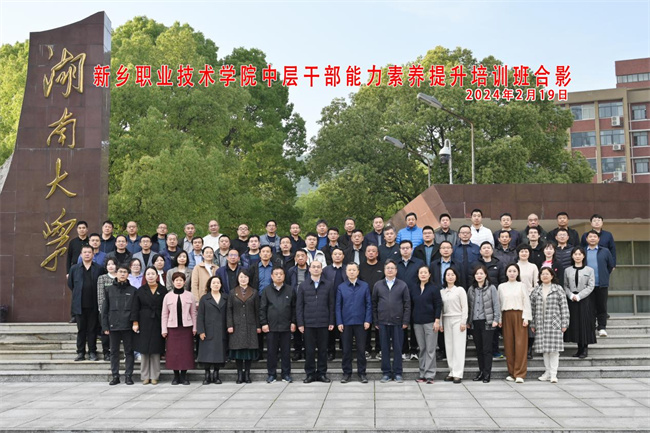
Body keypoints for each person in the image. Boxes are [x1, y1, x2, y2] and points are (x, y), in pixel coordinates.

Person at [373, 259, 411, 383]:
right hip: (383, 322)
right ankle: (386, 373)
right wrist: (376, 321)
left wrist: (405, 321)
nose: (390, 270)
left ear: (396, 270)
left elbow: (407, 304)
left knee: (398, 349)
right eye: (387, 268)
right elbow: (374, 304)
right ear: (384, 270)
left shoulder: (402, 285)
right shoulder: (378, 285)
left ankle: (398, 372)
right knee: (384, 349)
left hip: (398, 322)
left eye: (392, 268)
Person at [297, 260, 335, 383]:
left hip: (324, 322)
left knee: (323, 350)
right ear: (309, 269)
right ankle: (310, 374)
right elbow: (299, 306)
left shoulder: (328, 285)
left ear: (321, 269)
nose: (316, 269)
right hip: (308, 323)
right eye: (314, 267)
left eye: (318, 267)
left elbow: (331, 305)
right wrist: (300, 323)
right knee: (309, 350)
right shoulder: (303, 285)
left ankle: (322, 373)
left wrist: (331, 321)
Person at [530, 267, 570, 383]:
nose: (545, 276)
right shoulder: (536, 290)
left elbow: (564, 307)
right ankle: (547, 372)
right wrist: (533, 323)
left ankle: (553, 374)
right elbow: (532, 308)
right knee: (545, 350)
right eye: (542, 274)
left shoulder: (558, 289)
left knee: (554, 351)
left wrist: (565, 323)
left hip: (554, 324)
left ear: (552, 276)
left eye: (547, 274)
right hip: (540, 324)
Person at [336, 263, 372, 383]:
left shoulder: (364, 286)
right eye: (349, 270)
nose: (351, 272)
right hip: (346, 322)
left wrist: (367, 320)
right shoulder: (341, 287)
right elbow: (338, 306)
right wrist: (339, 322)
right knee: (346, 350)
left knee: (361, 350)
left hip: (361, 322)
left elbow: (368, 304)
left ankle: (362, 373)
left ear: (358, 272)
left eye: (354, 270)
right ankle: (347, 373)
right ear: (346, 272)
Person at [102, 266, 137, 385]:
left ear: (128, 274)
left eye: (125, 272)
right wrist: (105, 326)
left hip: (128, 325)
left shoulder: (133, 290)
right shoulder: (109, 290)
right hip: (113, 325)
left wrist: (135, 322)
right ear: (116, 273)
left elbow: (135, 309)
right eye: (120, 272)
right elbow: (105, 309)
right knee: (114, 352)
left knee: (129, 351)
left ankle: (128, 376)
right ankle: (115, 376)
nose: (122, 274)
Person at [260, 267, 296, 383]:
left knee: (286, 352)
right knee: (271, 352)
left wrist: (293, 322)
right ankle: (272, 374)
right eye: (276, 274)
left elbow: (294, 308)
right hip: (271, 326)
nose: (279, 276)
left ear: (284, 276)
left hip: (286, 326)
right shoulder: (266, 290)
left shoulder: (290, 290)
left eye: (281, 274)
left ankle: (286, 374)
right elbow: (262, 308)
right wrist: (264, 323)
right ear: (272, 276)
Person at [161, 273, 197, 385]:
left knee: (186, 352)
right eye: (176, 280)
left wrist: (195, 327)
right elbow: (164, 314)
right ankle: (176, 376)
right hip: (172, 328)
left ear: (184, 282)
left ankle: (184, 376)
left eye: (181, 280)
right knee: (174, 353)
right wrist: (164, 329)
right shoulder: (168, 296)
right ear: (173, 282)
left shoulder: (190, 295)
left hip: (186, 328)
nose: (178, 282)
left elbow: (193, 312)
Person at [68, 246, 103, 361]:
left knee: (92, 330)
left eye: (89, 252)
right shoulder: (74, 269)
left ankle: (92, 351)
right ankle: (80, 352)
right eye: (85, 252)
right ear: (81, 254)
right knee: (81, 330)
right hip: (79, 305)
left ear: (93, 254)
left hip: (94, 304)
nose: (87, 254)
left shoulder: (99, 268)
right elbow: (71, 284)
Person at [499, 263, 532, 383]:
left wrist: (526, 318)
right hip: (506, 315)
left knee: (520, 344)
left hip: (519, 315)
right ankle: (512, 372)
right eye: (510, 271)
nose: (512, 273)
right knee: (509, 344)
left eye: (514, 271)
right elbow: (499, 303)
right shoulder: (501, 287)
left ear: (518, 273)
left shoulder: (522, 286)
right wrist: (499, 319)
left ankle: (520, 373)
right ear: (506, 273)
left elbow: (526, 302)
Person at [132, 266, 166, 385]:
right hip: (144, 321)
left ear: (157, 276)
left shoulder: (163, 290)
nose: (150, 276)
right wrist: (135, 322)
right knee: (144, 349)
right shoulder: (140, 290)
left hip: (158, 321)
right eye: (148, 274)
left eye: (153, 274)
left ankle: (155, 376)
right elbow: (135, 307)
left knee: (156, 350)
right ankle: (145, 376)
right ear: (145, 276)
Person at [467, 266, 500, 383]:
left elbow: (496, 304)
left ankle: (487, 373)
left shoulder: (491, 288)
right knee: (479, 349)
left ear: (486, 275)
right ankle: (481, 372)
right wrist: (468, 321)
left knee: (487, 349)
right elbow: (469, 306)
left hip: (487, 322)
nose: (479, 276)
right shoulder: (471, 289)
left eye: (481, 273)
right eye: (477, 274)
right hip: (475, 322)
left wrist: (496, 319)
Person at [227, 269, 261, 384]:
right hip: (236, 325)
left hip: (250, 325)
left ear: (249, 278)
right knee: (238, 351)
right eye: (241, 277)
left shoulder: (254, 292)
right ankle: (239, 374)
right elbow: (229, 310)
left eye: (245, 277)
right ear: (238, 278)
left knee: (248, 351)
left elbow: (257, 310)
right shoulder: (232, 292)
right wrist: (230, 325)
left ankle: (247, 374)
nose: (243, 279)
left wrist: (258, 326)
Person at [411, 266, 442, 384]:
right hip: (417, 322)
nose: (423, 274)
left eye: (425, 272)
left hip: (430, 322)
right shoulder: (414, 288)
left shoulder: (434, 288)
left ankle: (430, 374)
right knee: (422, 348)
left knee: (430, 349)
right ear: (418, 274)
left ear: (429, 274)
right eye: (421, 272)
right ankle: (422, 374)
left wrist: (437, 320)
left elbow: (438, 305)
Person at [563, 246, 596, 358]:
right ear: (572, 256)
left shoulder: (589, 270)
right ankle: (579, 349)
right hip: (571, 300)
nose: (577, 256)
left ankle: (584, 349)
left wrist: (579, 296)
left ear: (583, 256)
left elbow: (591, 286)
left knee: (584, 323)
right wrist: (571, 295)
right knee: (575, 323)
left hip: (585, 300)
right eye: (575, 254)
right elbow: (565, 285)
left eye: (580, 254)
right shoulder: (567, 270)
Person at [197, 276, 228, 385]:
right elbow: (200, 316)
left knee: (219, 353)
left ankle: (216, 373)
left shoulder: (225, 298)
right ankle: (207, 374)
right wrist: (201, 331)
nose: (216, 285)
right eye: (213, 283)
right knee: (207, 353)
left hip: (221, 330)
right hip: (208, 329)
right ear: (210, 285)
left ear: (221, 285)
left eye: (218, 283)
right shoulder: (204, 298)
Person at [397, 240, 425, 360]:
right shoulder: (395, 263)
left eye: (407, 248)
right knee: (402, 325)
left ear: (412, 249)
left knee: (415, 324)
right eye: (403, 248)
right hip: (399, 299)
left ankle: (414, 349)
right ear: (399, 250)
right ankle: (404, 350)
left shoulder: (419, 263)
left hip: (415, 297)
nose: (405, 250)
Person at [584, 230, 615, 337]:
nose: (592, 238)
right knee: (589, 308)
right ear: (586, 239)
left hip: (601, 284)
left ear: (598, 239)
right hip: (586, 285)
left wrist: (603, 275)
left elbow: (610, 266)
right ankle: (591, 328)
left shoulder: (605, 251)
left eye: (594, 236)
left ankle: (602, 327)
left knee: (602, 307)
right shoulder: (583, 251)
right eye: (590, 236)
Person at [440, 267, 468, 384]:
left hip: (458, 319)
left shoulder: (460, 290)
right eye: (448, 275)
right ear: (444, 277)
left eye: (452, 274)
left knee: (458, 347)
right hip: (446, 319)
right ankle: (451, 371)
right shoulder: (442, 292)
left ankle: (458, 373)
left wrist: (463, 321)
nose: (450, 277)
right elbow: (440, 309)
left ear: (456, 276)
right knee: (449, 346)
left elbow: (465, 307)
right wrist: (440, 323)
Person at [359, 245, 384, 358]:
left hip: (380, 300)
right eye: (369, 251)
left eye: (373, 251)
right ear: (365, 253)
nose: (371, 253)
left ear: (377, 253)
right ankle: (366, 349)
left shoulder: (382, 266)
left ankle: (380, 349)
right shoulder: (361, 267)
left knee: (379, 326)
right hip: (364, 301)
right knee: (366, 326)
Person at [516, 244, 538, 360]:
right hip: (517, 298)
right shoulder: (515, 266)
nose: (524, 253)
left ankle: (529, 348)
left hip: (530, 297)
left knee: (530, 324)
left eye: (526, 251)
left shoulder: (533, 266)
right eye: (522, 251)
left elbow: (536, 283)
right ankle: (520, 348)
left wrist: (532, 294)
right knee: (519, 324)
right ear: (518, 253)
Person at [96, 258, 118, 360]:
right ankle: (106, 352)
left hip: (118, 310)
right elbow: (100, 295)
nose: (111, 266)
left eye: (113, 264)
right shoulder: (102, 278)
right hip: (106, 310)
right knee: (105, 332)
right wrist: (102, 310)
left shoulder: (120, 276)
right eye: (108, 264)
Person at [452, 225, 480, 290]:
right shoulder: (454, 248)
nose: (465, 234)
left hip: (474, 278)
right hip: (459, 278)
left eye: (467, 233)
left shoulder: (477, 248)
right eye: (463, 233)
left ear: (471, 235)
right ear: (459, 235)